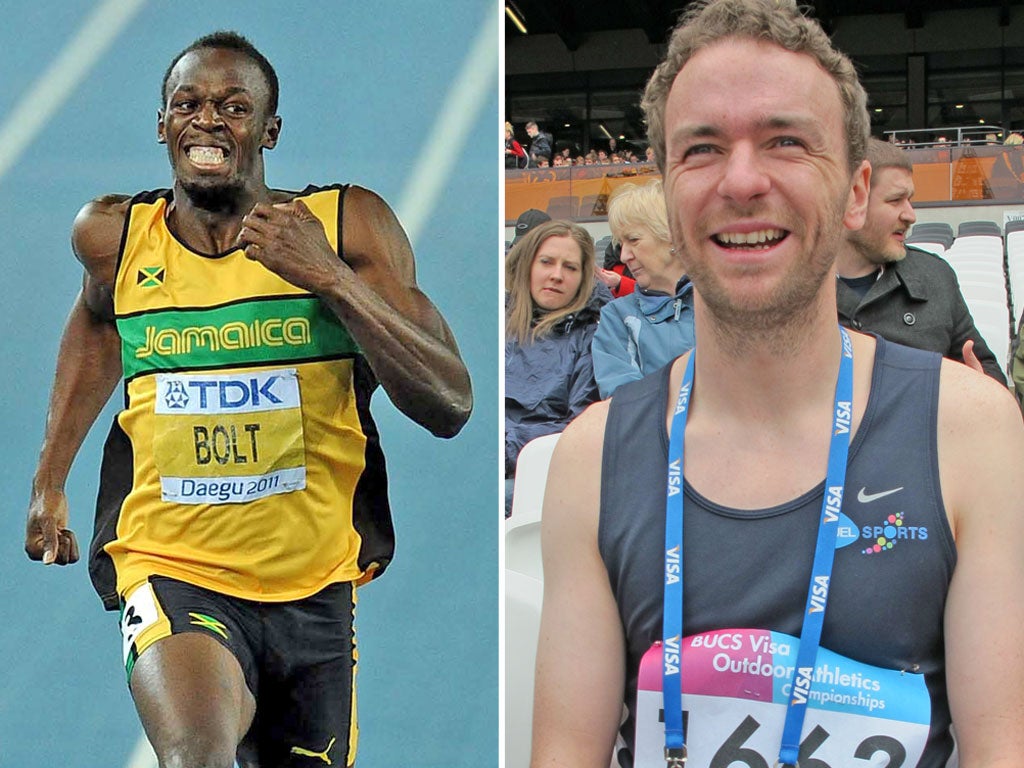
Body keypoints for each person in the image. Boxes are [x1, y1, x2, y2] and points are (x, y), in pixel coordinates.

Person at [531, 1, 1024, 766]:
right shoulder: (591, 459)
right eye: (701, 149)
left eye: (785, 142)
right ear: (667, 189)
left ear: (855, 191)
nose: (742, 179)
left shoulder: (972, 434)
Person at [23, 31, 472, 768]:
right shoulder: (116, 237)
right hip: (172, 563)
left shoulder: (343, 227)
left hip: (316, 587)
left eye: (234, 107)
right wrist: (49, 479)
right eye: (188, 104)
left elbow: (449, 402)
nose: (208, 120)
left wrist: (330, 279)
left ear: (269, 131)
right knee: (195, 753)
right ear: (162, 125)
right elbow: (99, 322)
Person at [836, 138, 1005, 383]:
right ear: (853, 200)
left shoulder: (935, 276)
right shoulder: (795, 287)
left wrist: (981, 389)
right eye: (895, 200)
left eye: (910, 200)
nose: (911, 215)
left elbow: (986, 369)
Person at [505, 220, 603, 516]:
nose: (557, 276)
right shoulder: (494, 323)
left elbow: (581, 426)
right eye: (547, 262)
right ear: (528, 266)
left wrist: (509, 446)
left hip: (538, 472)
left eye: (570, 268)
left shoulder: (592, 337)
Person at [591, 179, 695, 398]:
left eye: (634, 240)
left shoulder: (722, 304)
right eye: (621, 244)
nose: (624, 256)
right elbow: (624, 401)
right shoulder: (616, 317)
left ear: (672, 236)